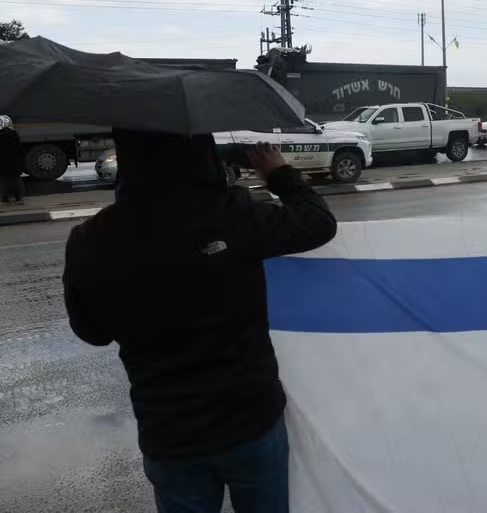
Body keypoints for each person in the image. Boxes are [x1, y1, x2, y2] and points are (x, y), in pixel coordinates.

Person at [63, 131, 338, 513]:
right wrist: (279, 174)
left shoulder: (90, 239)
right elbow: (318, 222)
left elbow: (92, 332)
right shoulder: (231, 214)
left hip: (169, 433)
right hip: (251, 421)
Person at [0, 115, 25, 205]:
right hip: (14, 160)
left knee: (3, 180)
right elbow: (20, 147)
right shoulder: (14, 134)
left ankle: (5, 198)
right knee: (15, 179)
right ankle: (18, 198)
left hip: (2, 161)